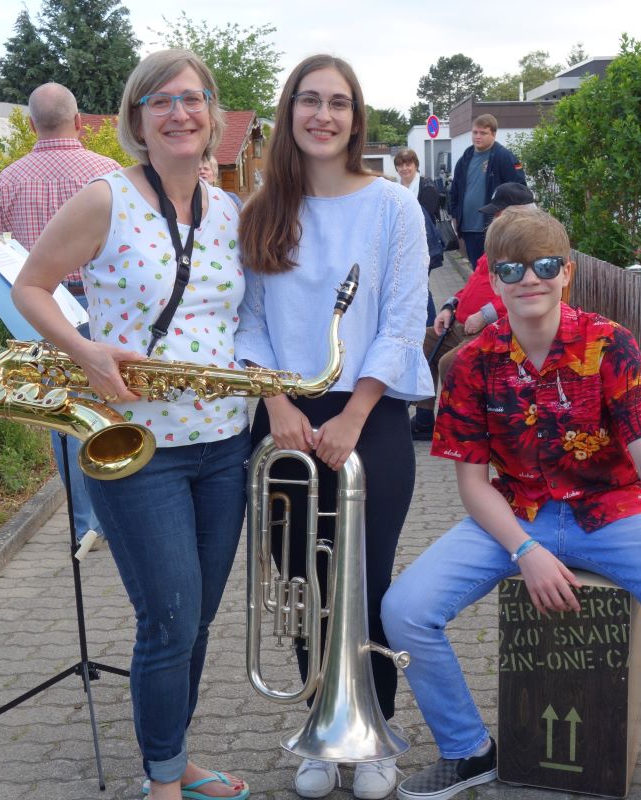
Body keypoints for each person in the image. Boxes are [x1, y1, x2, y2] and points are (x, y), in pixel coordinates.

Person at [383, 207, 641, 800]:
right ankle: (468, 750)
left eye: (546, 264)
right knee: (405, 611)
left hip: (612, 512)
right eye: (513, 268)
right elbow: (473, 487)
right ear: (492, 280)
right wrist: (525, 551)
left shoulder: (611, 345)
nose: (531, 278)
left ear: (567, 271)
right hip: (515, 512)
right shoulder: (468, 364)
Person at [11, 50, 250, 800]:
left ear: (212, 114)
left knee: (200, 619)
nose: (179, 113)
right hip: (140, 446)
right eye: (159, 101)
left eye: (192, 99)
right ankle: (161, 782)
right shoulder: (103, 199)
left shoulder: (230, 211)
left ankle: (176, 758)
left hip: (223, 443)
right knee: (169, 617)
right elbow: (32, 286)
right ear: (136, 119)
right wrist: (82, 350)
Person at [235, 54, 432, 800]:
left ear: (356, 118)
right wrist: (278, 406)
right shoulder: (262, 210)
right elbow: (247, 322)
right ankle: (324, 729)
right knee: (300, 580)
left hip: (370, 415)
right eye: (309, 101)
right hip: (283, 415)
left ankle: (374, 733)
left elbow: (405, 317)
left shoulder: (392, 207)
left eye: (339, 103)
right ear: (289, 114)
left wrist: (353, 412)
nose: (323, 115)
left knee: (367, 583)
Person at [0, 82, 120, 545]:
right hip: (101, 304)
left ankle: (85, 523)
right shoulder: (110, 173)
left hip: (42, 307)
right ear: (80, 122)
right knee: (110, 402)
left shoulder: (8, 179)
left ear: (30, 125)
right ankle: (123, 507)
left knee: (61, 413)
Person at [410, 182, 535, 441]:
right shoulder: (498, 243)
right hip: (462, 325)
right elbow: (472, 286)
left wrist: (484, 315)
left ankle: (464, 425)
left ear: (518, 213)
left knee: (451, 363)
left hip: (495, 331)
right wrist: (449, 306)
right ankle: (424, 418)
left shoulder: (530, 246)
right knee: (417, 342)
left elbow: (523, 296)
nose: (494, 218)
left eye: (499, 213)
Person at [446, 113, 525, 269]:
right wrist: (455, 215)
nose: (478, 136)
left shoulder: (504, 157)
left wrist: (506, 216)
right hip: (468, 228)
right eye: (475, 132)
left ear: (493, 134)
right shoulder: (464, 159)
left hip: (493, 228)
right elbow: (454, 191)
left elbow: (519, 189)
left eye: (483, 133)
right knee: (478, 271)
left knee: (494, 272)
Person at [395, 147, 444, 326]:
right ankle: (418, 322)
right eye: (400, 165)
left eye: (408, 164)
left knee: (421, 286)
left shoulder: (426, 187)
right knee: (413, 287)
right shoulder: (396, 188)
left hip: (424, 246)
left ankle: (431, 324)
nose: (404, 168)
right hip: (404, 247)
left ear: (416, 165)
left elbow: (425, 217)